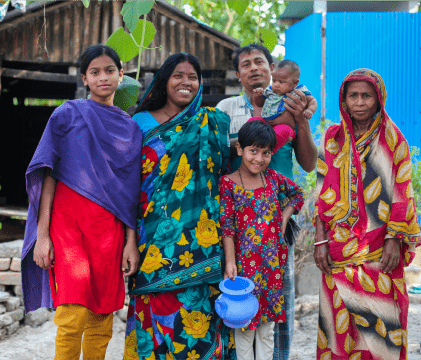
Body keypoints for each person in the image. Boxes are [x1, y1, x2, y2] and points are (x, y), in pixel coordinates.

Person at [21, 44, 143, 360]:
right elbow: (48, 175)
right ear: (85, 79)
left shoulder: (131, 129)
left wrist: (131, 242)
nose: (103, 77)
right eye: (95, 72)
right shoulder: (66, 114)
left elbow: (131, 191)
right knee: (72, 316)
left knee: (103, 317)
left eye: (110, 70)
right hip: (67, 225)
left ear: (121, 75)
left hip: (109, 229)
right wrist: (42, 235)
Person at [124, 53, 233, 360]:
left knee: (198, 322)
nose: (186, 82)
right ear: (164, 80)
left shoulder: (213, 123)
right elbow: (129, 189)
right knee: (154, 320)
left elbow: (231, 168)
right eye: (178, 75)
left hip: (202, 245)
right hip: (151, 243)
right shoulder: (140, 123)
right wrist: (130, 242)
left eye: (193, 77)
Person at [216, 43, 318, 360]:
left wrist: (301, 120)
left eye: (260, 61)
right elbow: (216, 158)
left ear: (271, 68)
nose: (254, 68)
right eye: (245, 64)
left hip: (275, 221)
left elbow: (310, 163)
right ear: (238, 74)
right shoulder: (225, 109)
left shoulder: (290, 105)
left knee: (278, 296)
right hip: (237, 219)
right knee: (238, 296)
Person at [313, 68, 421, 359]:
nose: (360, 102)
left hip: (379, 251)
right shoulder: (332, 139)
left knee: (381, 328)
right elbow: (321, 193)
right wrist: (320, 241)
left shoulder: (393, 139)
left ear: (378, 99)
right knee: (340, 328)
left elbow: (402, 192)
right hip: (337, 252)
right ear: (344, 100)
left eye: (367, 96)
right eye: (353, 96)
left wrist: (393, 240)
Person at [220, 120, 305, 360]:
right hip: (244, 269)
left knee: (267, 331)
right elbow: (227, 227)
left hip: (271, 270)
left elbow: (298, 194)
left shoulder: (274, 179)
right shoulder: (228, 184)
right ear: (240, 150)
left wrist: (285, 217)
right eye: (253, 151)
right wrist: (229, 262)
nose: (259, 158)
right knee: (243, 327)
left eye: (266, 153)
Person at [253, 60, 318, 153]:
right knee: (253, 121)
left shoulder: (299, 92)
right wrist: (258, 96)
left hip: (285, 128)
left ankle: (269, 152)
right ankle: (253, 147)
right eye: (274, 80)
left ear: (295, 83)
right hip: (266, 124)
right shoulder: (270, 91)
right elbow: (260, 104)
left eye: (281, 82)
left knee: (279, 133)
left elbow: (312, 100)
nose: (276, 85)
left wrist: (310, 110)